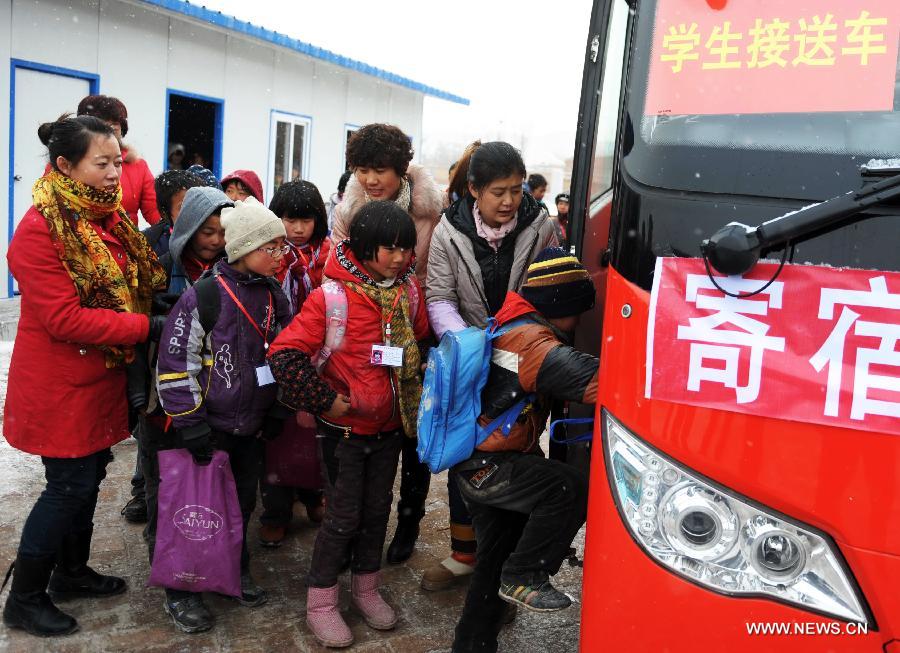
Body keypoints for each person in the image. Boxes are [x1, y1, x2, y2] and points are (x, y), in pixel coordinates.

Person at [2, 115, 166, 637]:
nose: (117, 172)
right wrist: (145, 325)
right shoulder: (39, 229)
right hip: (60, 384)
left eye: (119, 161)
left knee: (89, 478)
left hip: (98, 376)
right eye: (103, 163)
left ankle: (70, 573)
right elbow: (64, 318)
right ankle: (24, 598)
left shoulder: (102, 217)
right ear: (65, 166)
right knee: (68, 486)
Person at [269, 201, 430, 649]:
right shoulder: (332, 297)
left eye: (405, 249)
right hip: (343, 432)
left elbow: (419, 342)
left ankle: (366, 589)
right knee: (341, 516)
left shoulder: (408, 292)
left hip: (390, 428)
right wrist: (325, 400)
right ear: (363, 247)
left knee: (378, 510)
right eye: (388, 249)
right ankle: (321, 601)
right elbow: (284, 353)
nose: (398, 258)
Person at [423, 141, 557, 592]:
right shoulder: (448, 232)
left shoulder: (541, 226)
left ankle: (507, 563)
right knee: (468, 455)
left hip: (526, 360)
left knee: (516, 451)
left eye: (517, 190)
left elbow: (550, 289)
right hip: (470, 362)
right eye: (498, 191)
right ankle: (465, 553)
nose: (509, 201)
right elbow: (439, 297)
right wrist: (470, 346)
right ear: (474, 190)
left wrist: (522, 343)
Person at [155, 197, 292, 633]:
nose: (280, 254)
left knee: (240, 503)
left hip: (249, 427)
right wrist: (190, 423)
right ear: (245, 248)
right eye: (271, 246)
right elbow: (176, 363)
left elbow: (287, 354)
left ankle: (232, 569)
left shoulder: (275, 295)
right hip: (204, 427)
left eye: (282, 246)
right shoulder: (205, 296)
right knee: (194, 511)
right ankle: (182, 590)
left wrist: (280, 409)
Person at [451, 248, 596, 653]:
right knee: (568, 487)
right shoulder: (531, 340)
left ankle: (472, 645)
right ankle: (527, 574)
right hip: (491, 466)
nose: (578, 322)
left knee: (493, 561)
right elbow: (601, 382)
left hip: (478, 461)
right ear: (560, 305)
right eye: (577, 311)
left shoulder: (513, 320)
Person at [331, 123, 445, 565]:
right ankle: (356, 526)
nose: (371, 180)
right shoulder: (349, 209)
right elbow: (335, 268)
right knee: (367, 426)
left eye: (380, 170)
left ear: (400, 168)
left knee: (414, 430)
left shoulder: (430, 211)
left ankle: (410, 520)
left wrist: (414, 312)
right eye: (362, 170)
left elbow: (437, 274)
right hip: (365, 328)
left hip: (420, 325)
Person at [130, 186, 234, 634]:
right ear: (188, 230)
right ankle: (177, 584)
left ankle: (215, 565)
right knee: (168, 493)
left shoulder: (233, 272)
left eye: (222, 231)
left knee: (208, 494)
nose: (214, 240)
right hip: (164, 405)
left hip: (213, 403)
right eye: (206, 231)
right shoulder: (161, 272)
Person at [257, 180, 333, 547]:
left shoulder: (333, 256)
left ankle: (313, 496)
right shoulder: (267, 256)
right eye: (289, 219)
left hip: (322, 354)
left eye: (306, 220)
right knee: (279, 434)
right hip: (276, 352)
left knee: (316, 434)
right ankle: (276, 510)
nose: (298, 229)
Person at [76, 95, 161, 226]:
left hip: (126, 242)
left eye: (116, 122)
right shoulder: (71, 162)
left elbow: (155, 210)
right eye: (103, 122)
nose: (111, 128)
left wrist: (176, 233)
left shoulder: (138, 165)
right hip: (80, 238)